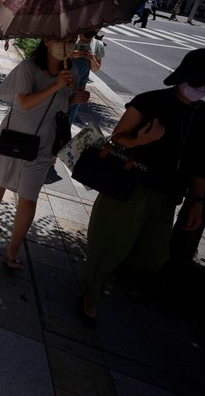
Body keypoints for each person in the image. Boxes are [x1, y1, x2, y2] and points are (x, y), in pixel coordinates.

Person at [81, 48, 205, 325]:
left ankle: (109, 274)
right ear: (183, 77)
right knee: (108, 245)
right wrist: (141, 140)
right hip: (130, 185)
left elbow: (200, 165)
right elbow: (117, 139)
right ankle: (91, 296)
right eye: (198, 81)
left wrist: (197, 201)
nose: (201, 90)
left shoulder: (203, 117)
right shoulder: (150, 102)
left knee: (154, 256)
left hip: (167, 195)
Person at [0, 40, 89, 270]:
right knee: (0, 180)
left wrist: (74, 100)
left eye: (72, 41)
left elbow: (60, 107)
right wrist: (56, 85)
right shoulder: (28, 67)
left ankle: (12, 252)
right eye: (63, 40)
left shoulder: (71, 70)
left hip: (44, 142)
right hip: (15, 133)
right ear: (48, 41)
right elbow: (24, 103)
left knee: (29, 196)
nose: (68, 45)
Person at [68, 30, 105, 124]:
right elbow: (58, 58)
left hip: (78, 88)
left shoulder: (98, 44)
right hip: (62, 84)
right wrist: (72, 55)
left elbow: (95, 69)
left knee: (69, 118)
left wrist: (92, 59)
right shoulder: (71, 39)